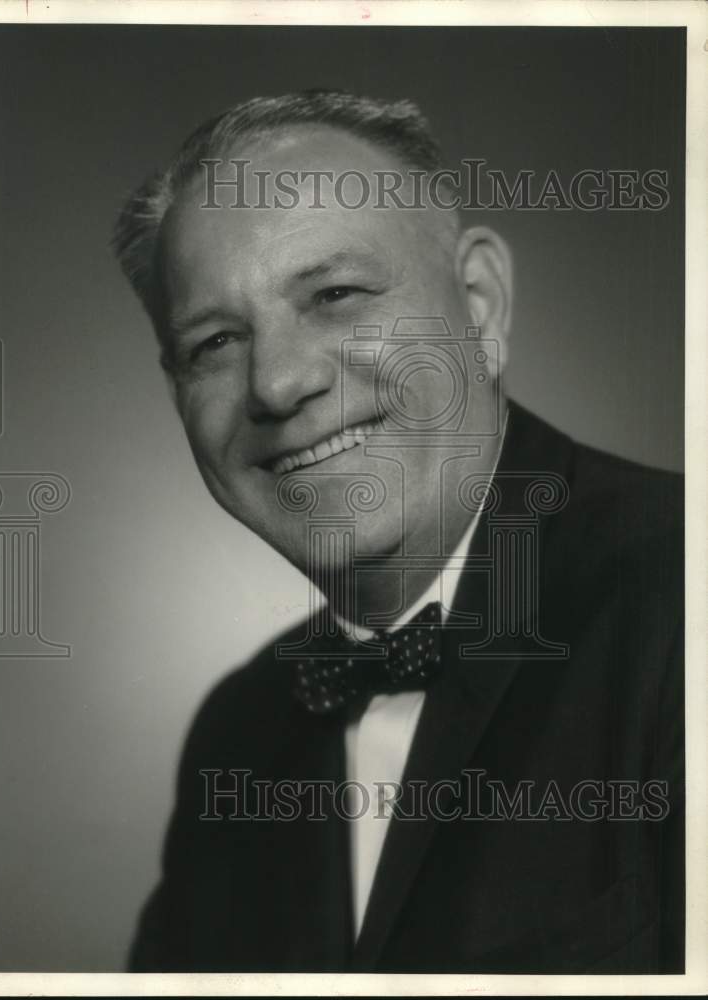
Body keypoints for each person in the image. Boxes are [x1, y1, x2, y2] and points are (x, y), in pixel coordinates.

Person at [113, 90, 683, 973]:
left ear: (480, 306)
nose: (278, 383)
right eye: (216, 343)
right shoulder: (238, 730)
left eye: (335, 293)